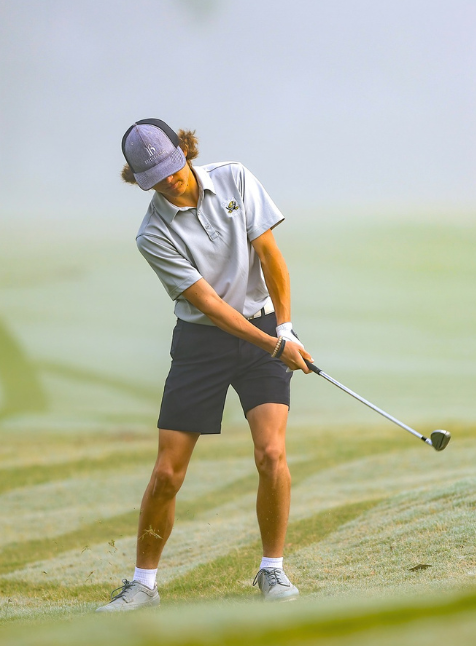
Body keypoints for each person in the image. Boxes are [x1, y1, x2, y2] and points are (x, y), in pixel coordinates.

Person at [96, 119, 313, 612]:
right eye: (156, 177)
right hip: (201, 343)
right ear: (139, 178)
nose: (170, 181)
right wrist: (273, 347)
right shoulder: (152, 233)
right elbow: (211, 306)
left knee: (271, 454)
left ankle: (272, 570)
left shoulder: (235, 178)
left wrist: (284, 329)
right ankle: (144, 584)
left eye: (173, 167)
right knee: (168, 471)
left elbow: (269, 253)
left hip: (264, 325)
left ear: (185, 150)